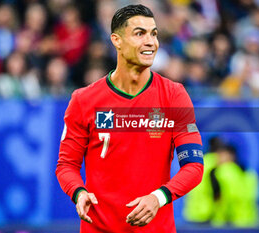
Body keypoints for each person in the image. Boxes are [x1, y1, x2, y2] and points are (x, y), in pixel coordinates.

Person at [56, 4, 203, 232]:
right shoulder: (84, 100)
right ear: (117, 41)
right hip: (99, 227)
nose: (151, 42)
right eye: (139, 33)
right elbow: (67, 165)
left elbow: (193, 166)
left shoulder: (174, 96)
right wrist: (78, 192)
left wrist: (158, 198)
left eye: (154, 34)